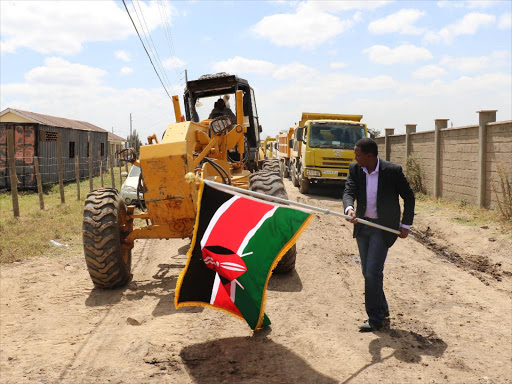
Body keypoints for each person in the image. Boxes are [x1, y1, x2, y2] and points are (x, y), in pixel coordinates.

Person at [343, 138, 415, 332]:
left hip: (383, 229)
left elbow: (409, 196)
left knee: (373, 272)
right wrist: (349, 208)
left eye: (358, 155)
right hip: (362, 226)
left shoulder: (392, 171)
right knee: (368, 272)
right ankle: (382, 308)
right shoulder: (355, 169)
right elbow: (348, 191)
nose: (355, 158)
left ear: (370, 156)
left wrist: (406, 224)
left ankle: (375, 318)